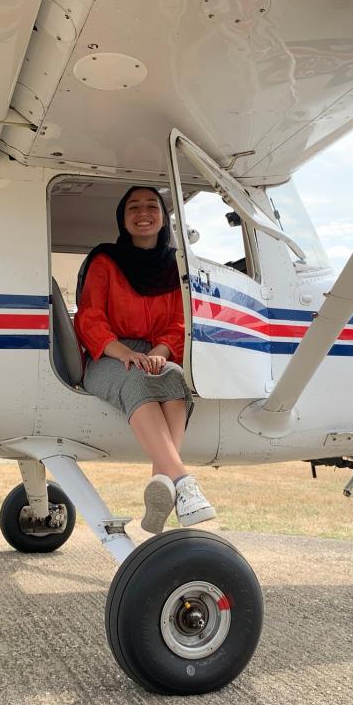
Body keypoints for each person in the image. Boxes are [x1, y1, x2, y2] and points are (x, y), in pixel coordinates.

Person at [74, 186, 216, 534]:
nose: (143, 212)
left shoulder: (174, 266)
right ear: (123, 219)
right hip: (108, 354)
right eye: (133, 207)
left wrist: (159, 352)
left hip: (154, 351)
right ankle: (182, 481)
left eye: (151, 205)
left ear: (163, 217)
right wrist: (125, 353)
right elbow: (89, 317)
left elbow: (178, 323)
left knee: (173, 377)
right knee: (138, 379)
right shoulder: (104, 260)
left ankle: (162, 484)